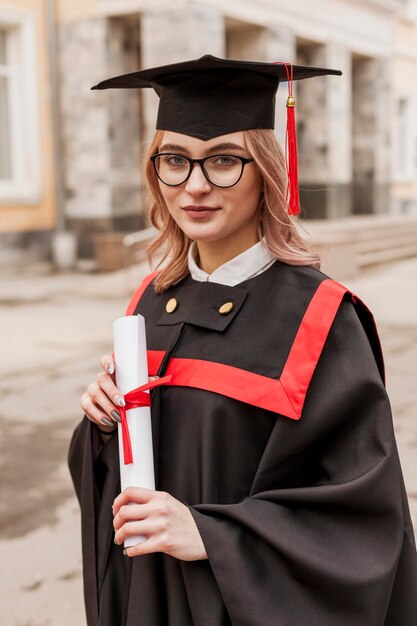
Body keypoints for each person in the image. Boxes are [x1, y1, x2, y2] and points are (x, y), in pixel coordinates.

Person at [68, 55, 417, 626]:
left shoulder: (321, 316)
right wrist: (102, 428)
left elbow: (362, 515)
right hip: (151, 598)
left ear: (268, 171)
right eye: (174, 161)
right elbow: (127, 482)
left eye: (225, 161)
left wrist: (214, 535)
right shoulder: (151, 301)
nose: (196, 186)